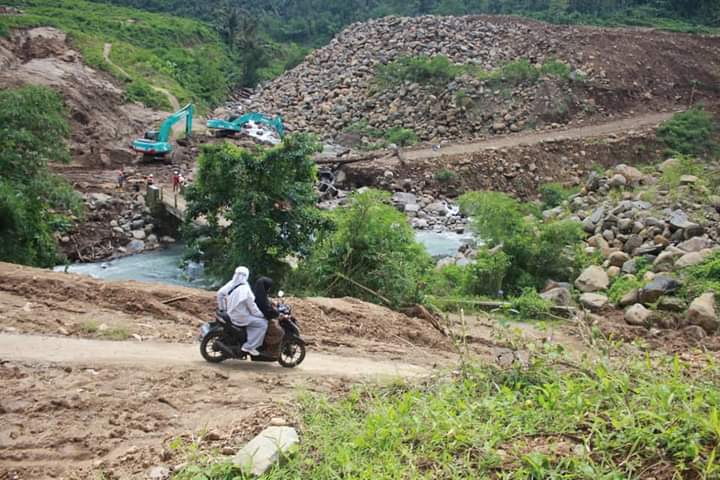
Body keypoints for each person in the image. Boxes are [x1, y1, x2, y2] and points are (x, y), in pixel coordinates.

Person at [217, 266, 267, 356]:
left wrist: (222, 308)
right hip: (241, 318)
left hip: (229, 314)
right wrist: (261, 315)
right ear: (247, 276)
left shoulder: (231, 284)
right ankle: (249, 346)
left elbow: (220, 294)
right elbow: (252, 307)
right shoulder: (245, 289)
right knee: (263, 323)